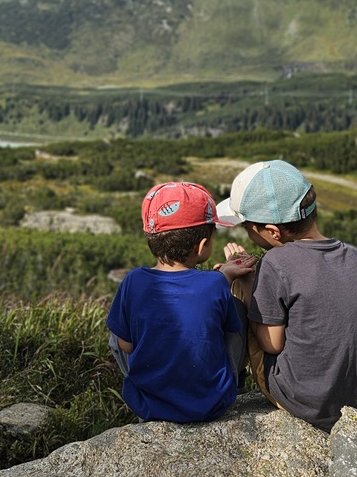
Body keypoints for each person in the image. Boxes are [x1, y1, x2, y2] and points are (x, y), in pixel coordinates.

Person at [217, 159, 357, 432]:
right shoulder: (355, 255)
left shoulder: (275, 261)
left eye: (247, 228)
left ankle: (230, 387)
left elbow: (271, 344)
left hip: (310, 405)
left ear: (272, 232)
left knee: (239, 294)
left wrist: (248, 284)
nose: (246, 233)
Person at [106, 180, 254, 423]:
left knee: (117, 331)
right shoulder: (215, 283)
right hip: (212, 403)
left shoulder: (132, 281)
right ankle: (236, 381)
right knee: (234, 310)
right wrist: (225, 276)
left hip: (149, 405)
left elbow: (126, 346)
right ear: (203, 245)